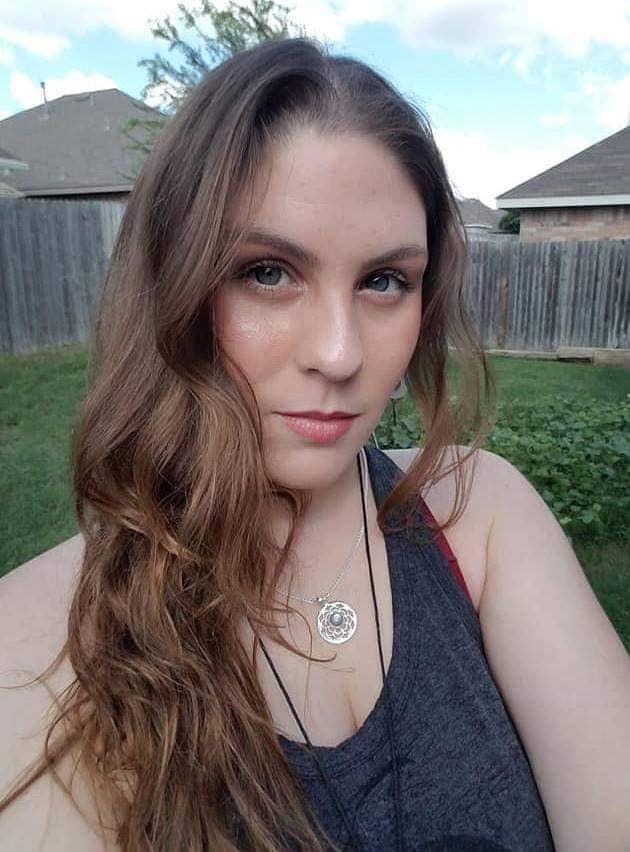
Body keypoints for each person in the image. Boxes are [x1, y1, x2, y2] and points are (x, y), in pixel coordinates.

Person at [1, 37, 629, 852]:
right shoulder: (35, 649)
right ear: (172, 284)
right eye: (267, 271)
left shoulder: (481, 515)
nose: (340, 355)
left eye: (384, 281)